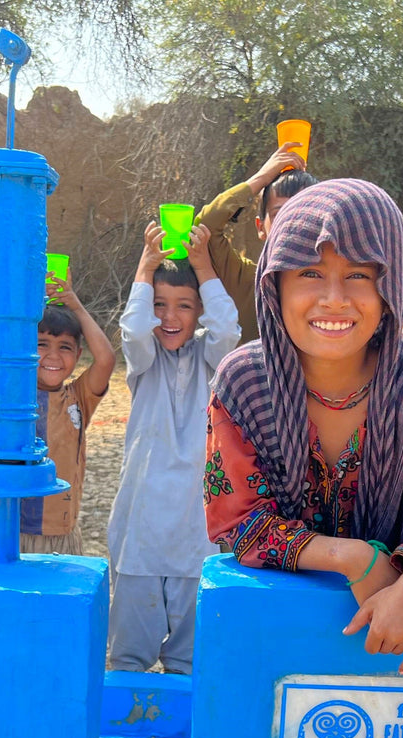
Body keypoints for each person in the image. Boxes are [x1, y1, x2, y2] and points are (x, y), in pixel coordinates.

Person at [204, 179, 403, 675]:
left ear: (390, 291)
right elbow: (238, 525)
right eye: (310, 273)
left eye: (359, 275)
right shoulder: (244, 385)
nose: (334, 299)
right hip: (273, 641)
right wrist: (354, 558)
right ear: (273, 283)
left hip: (383, 660)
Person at [108, 221, 240, 673]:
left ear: (199, 311)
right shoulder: (143, 364)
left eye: (184, 306)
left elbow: (227, 328)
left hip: (195, 529)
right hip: (141, 529)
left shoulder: (212, 363)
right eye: (160, 305)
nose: (169, 317)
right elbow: (132, 331)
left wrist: (203, 263)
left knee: (189, 659)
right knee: (127, 656)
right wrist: (145, 265)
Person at [20, 272, 116, 554]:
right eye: (41, 345)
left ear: (78, 353)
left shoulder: (78, 397)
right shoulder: (13, 396)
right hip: (15, 530)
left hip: (61, 533)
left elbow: (107, 358)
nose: (53, 356)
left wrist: (75, 305)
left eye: (65, 347)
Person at [195, 142, 318, 340]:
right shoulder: (244, 279)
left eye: (303, 211)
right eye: (280, 213)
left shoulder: (331, 287)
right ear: (260, 227)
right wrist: (262, 177)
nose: (292, 221)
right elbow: (205, 225)